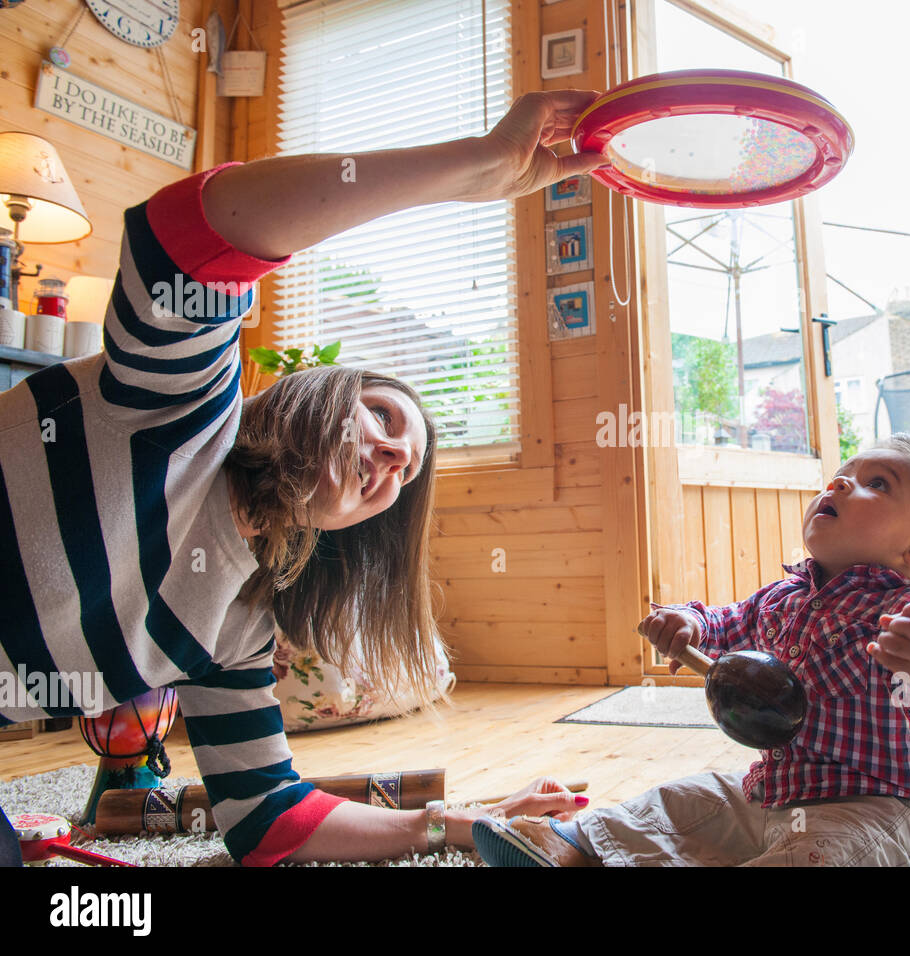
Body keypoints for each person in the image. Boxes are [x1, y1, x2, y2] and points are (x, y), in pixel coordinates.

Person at [0, 90, 606, 866]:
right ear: (320, 391)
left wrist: (456, 823)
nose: (393, 459)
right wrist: (474, 167)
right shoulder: (177, 404)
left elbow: (267, 816)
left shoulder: (236, 623)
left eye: (404, 472)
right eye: (385, 418)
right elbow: (184, 235)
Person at [472, 434, 910, 866]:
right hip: (776, 795)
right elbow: (726, 624)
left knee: (827, 854)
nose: (840, 482)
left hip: (888, 812)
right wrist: (690, 623)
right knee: (684, 801)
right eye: (844, 472)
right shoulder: (784, 596)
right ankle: (573, 847)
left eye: (877, 485)